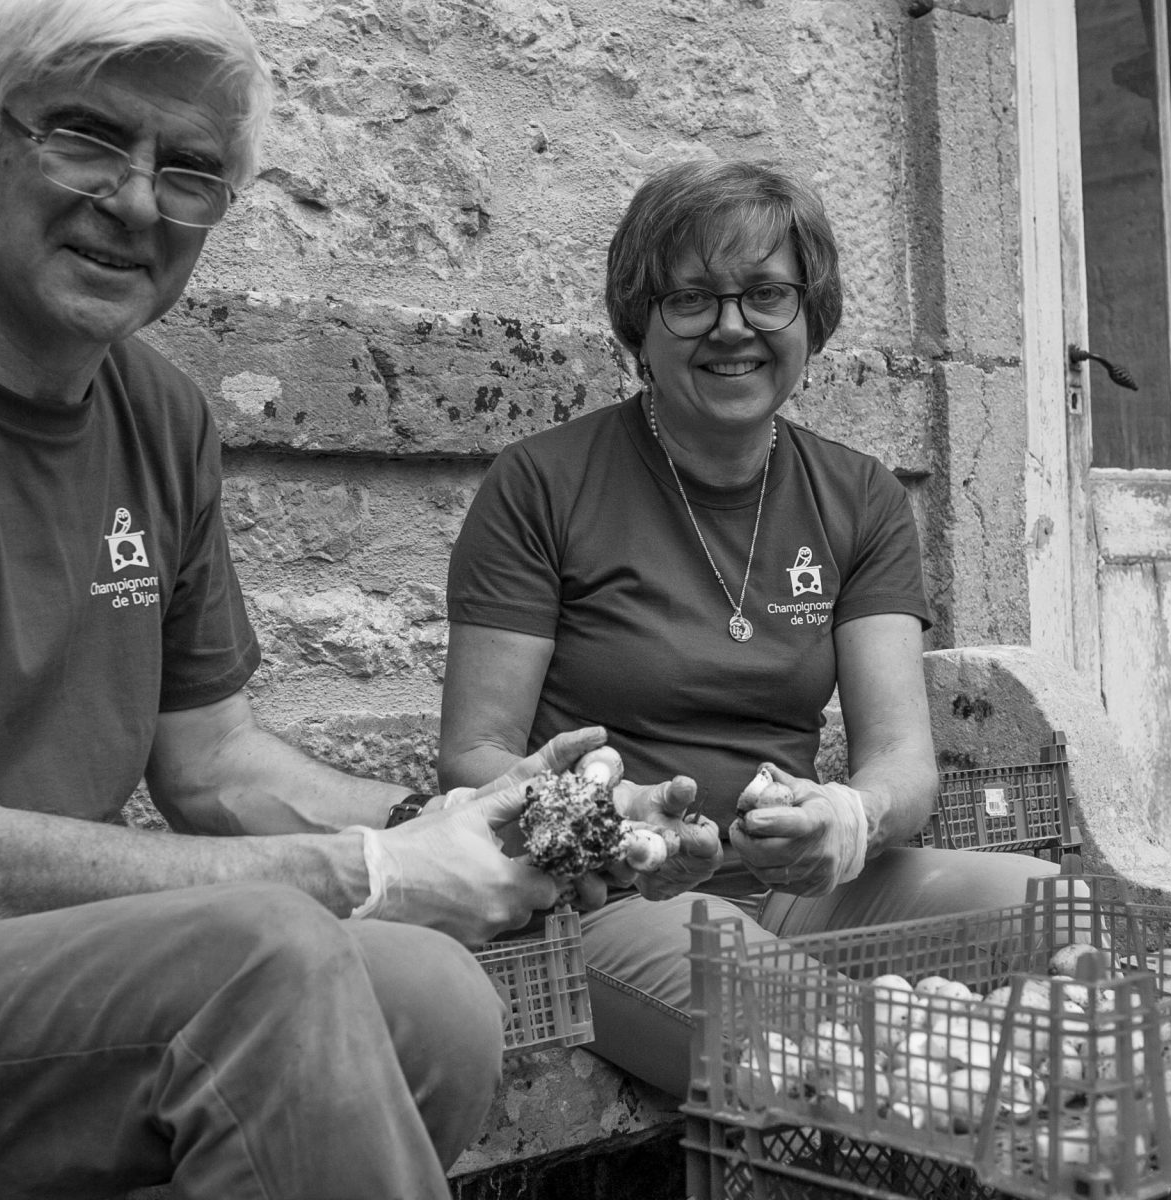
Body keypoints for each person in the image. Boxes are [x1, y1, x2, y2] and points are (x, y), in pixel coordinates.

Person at [0, 2, 691, 1195]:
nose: (138, 202)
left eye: (188, 170)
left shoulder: (159, 412)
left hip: (10, 976)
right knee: (272, 960)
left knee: (436, 1002)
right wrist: (373, 873)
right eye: (89, 139)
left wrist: (466, 820)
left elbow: (211, 768)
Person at [439, 159, 1062, 1100]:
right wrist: (619, 825)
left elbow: (902, 760)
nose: (733, 327)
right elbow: (474, 753)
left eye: (767, 294)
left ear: (812, 316)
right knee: (815, 1034)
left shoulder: (862, 496)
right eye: (691, 299)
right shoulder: (542, 483)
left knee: (1050, 917)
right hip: (607, 899)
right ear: (638, 325)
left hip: (798, 891)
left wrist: (844, 820)